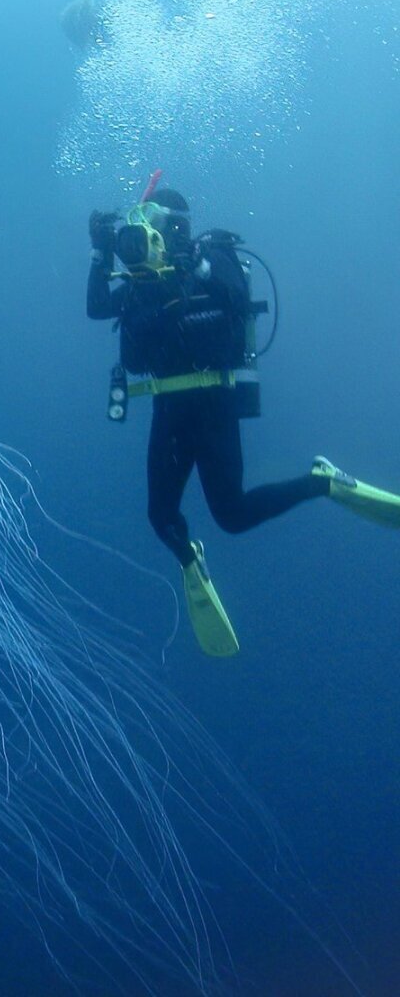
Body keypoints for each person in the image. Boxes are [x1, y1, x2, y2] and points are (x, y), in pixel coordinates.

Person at [87, 181, 400, 656]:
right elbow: (96, 308)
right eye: (151, 227)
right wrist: (99, 254)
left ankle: (323, 482)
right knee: (160, 516)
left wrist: (199, 265)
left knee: (230, 515)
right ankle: (190, 558)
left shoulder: (212, 254)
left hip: (213, 405)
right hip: (169, 410)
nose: (160, 235)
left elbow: (235, 295)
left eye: (167, 225)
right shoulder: (140, 278)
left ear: (181, 225)